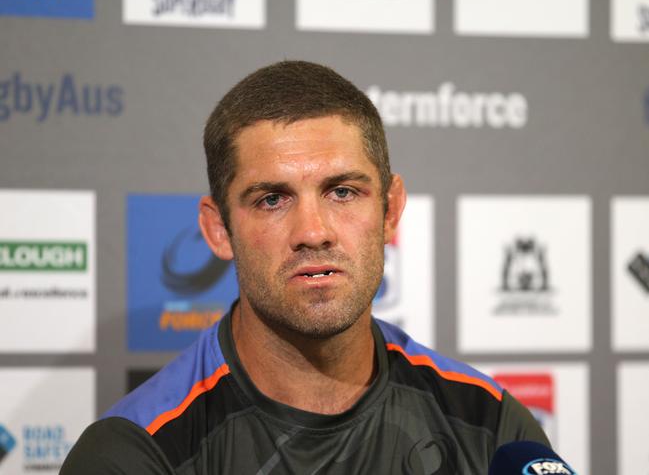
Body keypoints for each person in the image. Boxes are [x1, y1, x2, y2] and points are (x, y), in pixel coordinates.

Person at [61, 61, 549, 474]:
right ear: (218, 229)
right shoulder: (136, 454)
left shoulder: (490, 427)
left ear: (391, 209)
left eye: (343, 192)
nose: (313, 231)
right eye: (272, 199)